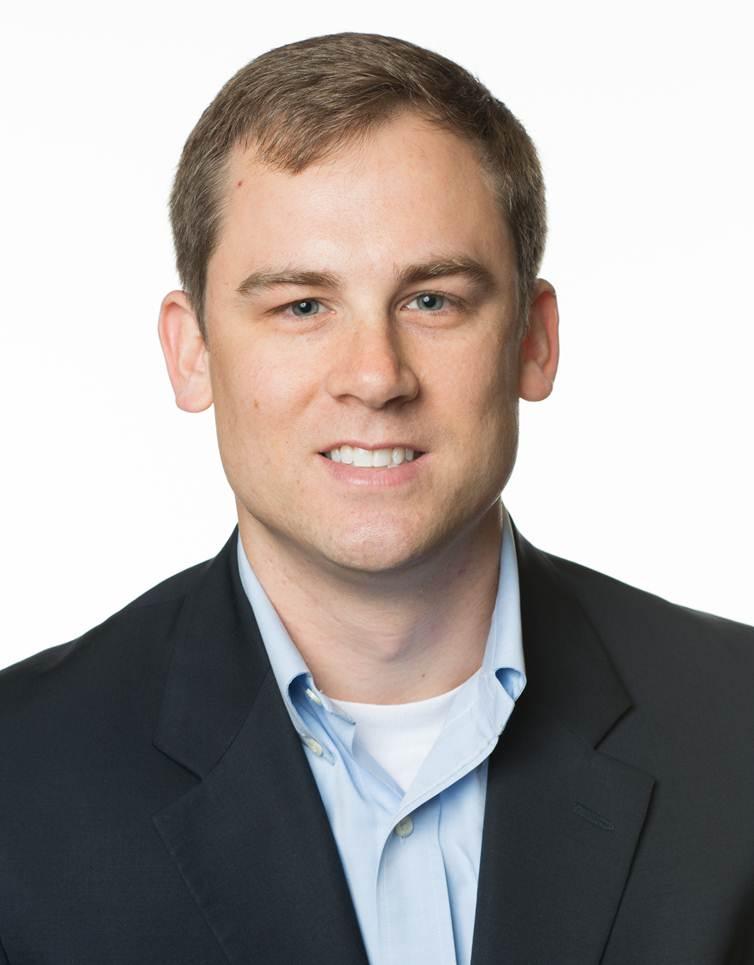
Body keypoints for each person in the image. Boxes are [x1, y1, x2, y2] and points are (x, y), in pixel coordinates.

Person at [0, 30, 752, 965]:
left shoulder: (740, 730)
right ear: (190, 351)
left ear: (533, 339)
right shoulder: (16, 780)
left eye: (433, 299)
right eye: (302, 306)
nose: (374, 375)